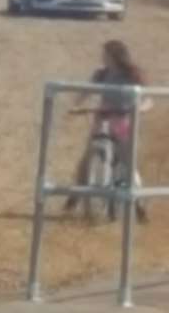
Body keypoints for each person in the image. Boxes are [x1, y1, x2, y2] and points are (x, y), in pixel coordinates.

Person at [65, 40, 151, 222]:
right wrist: (75, 105)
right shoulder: (101, 74)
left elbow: (149, 99)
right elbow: (87, 91)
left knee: (129, 164)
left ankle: (139, 204)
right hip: (103, 117)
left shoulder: (133, 75)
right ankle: (76, 195)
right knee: (87, 158)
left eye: (105, 54)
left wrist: (140, 108)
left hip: (124, 120)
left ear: (115, 56)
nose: (102, 58)